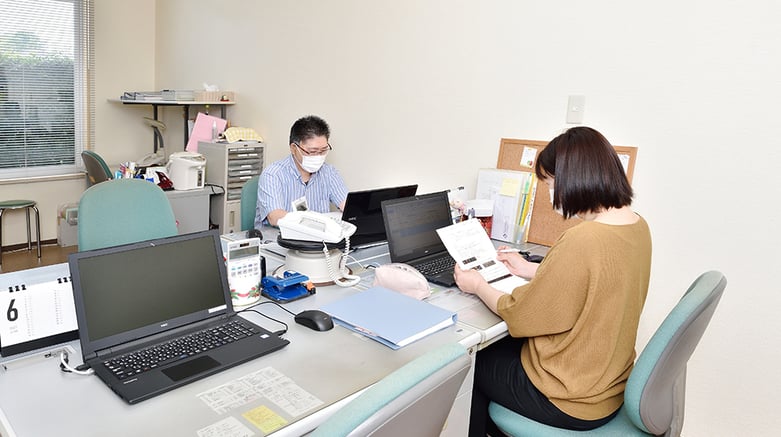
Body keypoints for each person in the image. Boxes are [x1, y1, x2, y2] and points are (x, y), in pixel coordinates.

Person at [456, 126, 652, 436]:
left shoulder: (583, 239)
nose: (550, 195)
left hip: (570, 398)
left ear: (573, 179)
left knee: (471, 362)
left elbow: (520, 316)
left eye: (549, 184)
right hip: (609, 386)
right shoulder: (637, 226)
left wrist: (477, 285)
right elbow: (603, 282)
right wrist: (532, 270)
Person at [255, 115, 348, 228]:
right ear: (294, 148)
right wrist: (313, 223)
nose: (318, 156)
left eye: (323, 150)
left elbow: (347, 206)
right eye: (312, 151)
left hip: (319, 241)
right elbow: (275, 217)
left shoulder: (329, 172)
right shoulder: (273, 175)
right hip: (279, 240)